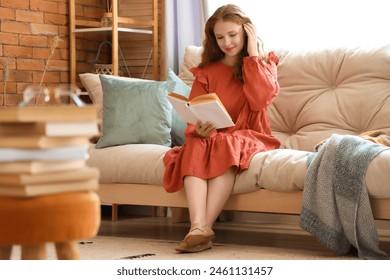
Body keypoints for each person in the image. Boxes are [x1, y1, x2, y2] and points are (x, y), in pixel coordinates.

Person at [163, 4, 281, 253]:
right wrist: (201, 129)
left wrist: (251, 55)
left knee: (226, 142)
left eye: (233, 35)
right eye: (220, 37)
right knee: (195, 143)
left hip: (250, 134)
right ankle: (197, 228)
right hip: (215, 135)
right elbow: (194, 110)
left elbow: (261, 100)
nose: (226, 42)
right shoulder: (206, 71)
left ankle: (203, 228)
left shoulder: (263, 63)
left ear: (246, 32)